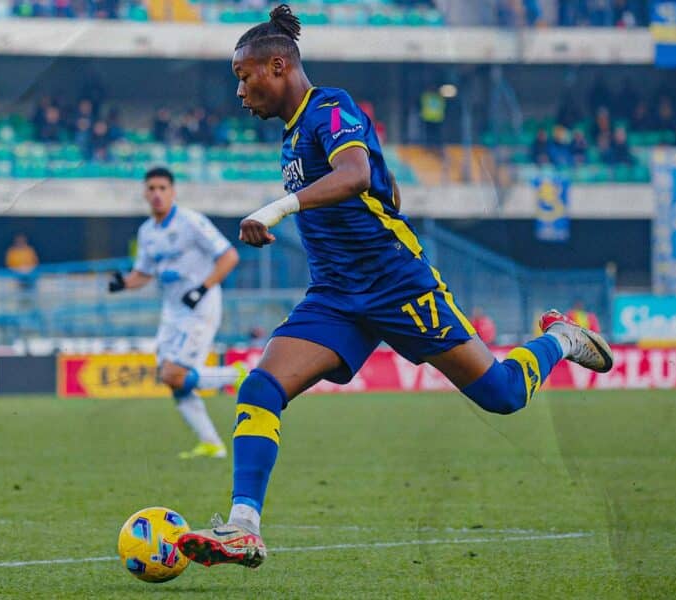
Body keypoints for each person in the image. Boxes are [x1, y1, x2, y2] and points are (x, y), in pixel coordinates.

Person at [176, 4, 615, 569]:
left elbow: (356, 174)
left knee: (503, 395)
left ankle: (560, 339)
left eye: (244, 76)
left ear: (278, 66)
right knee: (261, 388)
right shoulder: (292, 135)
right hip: (336, 296)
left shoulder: (330, 107)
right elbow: (381, 185)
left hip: (397, 284)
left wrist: (279, 207)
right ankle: (243, 528)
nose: (239, 91)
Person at [108, 167, 243, 459]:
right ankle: (211, 444)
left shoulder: (191, 222)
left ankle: (237, 375)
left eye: (162, 188)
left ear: (173, 192)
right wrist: (124, 283)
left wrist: (202, 288)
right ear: (145, 193)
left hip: (200, 306)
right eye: (152, 189)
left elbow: (230, 256)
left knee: (174, 374)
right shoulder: (147, 232)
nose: (157, 194)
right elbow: (143, 273)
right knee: (172, 379)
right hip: (172, 312)